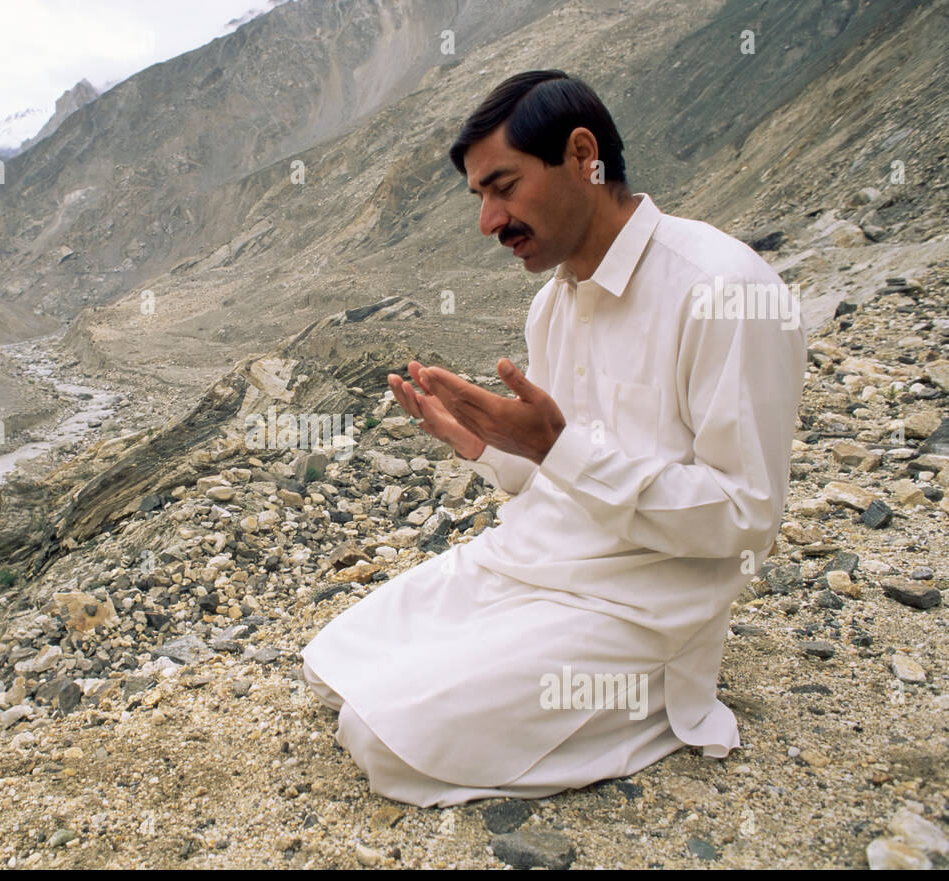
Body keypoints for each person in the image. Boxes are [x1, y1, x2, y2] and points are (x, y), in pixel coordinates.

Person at [301, 69, 806, 808]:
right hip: (526, 564)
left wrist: (556, 448)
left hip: (634, 610)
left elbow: (747, 517)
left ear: (580, 156)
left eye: (501, 187)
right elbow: (554, 473)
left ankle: (661, 704)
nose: (487, 221)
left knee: (381, 742)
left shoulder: (726, 291)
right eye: (479, 198)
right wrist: (485, 445)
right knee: (330, 666)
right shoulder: (552, 305)